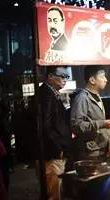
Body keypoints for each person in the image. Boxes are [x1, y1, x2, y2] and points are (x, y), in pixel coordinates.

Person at [39, 67, 72, 200]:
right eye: (62, 76)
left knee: (57, 189)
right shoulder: (46, 94)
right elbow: (45, 125)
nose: (65, 80)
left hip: (56, 152)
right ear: (51, 76)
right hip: (52, 154)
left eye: (67, 77)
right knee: (54, 192)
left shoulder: (52, 93)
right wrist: (57, 148)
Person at [71, 66, 110, 161]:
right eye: (102, 77)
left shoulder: (97, 96)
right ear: (92, 80)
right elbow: (76, 125)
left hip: (100, 149)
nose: (106, 80)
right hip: (89, 152)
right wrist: (102, 123)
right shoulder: (82, 98)